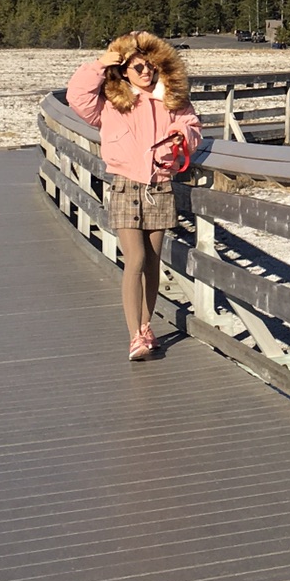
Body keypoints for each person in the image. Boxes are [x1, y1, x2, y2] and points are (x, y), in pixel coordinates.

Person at [67, 31, 201, 361]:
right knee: (136, 259)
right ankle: (134, 335)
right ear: (124, 69)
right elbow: (77, 96)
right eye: (137, 66)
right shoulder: (110, 104)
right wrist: (100, 64)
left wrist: (181, 136)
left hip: (159, 187)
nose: (145, 71)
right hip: (126, 186)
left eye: (150, 66)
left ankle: (145, 327)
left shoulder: (171, 99)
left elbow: (193, 127)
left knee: (153, 262)